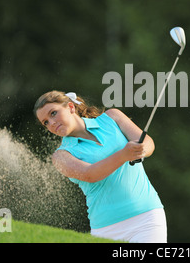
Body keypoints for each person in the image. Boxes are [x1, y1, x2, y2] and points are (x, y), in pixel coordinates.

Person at [34, 90, 166, 243]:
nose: (51, 123)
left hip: (147, 217)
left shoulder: (113, 116)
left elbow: (147, 142)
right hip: (106, 228)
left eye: (53, 113)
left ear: (70, 107)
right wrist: (124, 155)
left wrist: (141, 149)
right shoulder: (61, 156)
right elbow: (90, 174)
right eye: (45, 122)